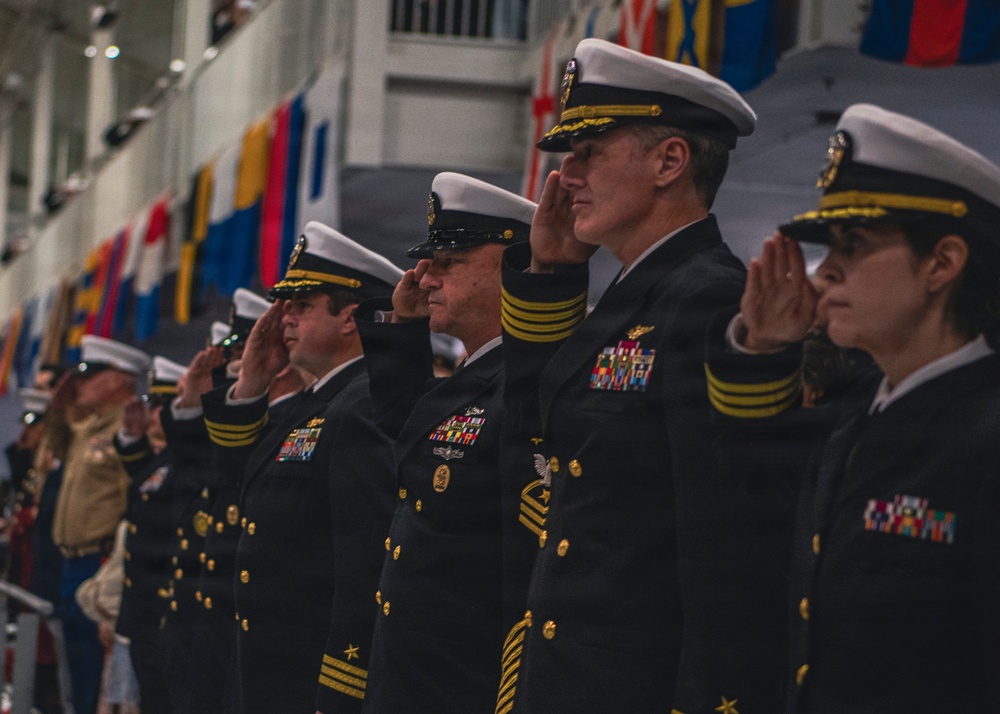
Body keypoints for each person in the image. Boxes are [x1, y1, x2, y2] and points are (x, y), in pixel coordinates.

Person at [496, 38, 792, 712]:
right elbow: (535, 441)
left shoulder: (707, 300)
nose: (566, 175)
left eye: (588, 152)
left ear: (670, 161)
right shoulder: (634, 294)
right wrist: (551, 277)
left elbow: (726, 545)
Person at [705, 103, 1000, 713]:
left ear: (943, 263)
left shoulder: (984, 437)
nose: (827, 271)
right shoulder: (858, 420)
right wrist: (764, 349)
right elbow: (754, 501)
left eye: (854, 244)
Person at [356, 172, 540, 712]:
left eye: (449, 262)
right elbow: (412, 436)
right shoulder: (476, 373)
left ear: (515, 267)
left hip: (468, 687)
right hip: (415, 682)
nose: (426, 277)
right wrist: (403, 328)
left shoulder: (528, 384)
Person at [201, 222, 400, 714]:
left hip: (305, 680)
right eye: (285, 304)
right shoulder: (316, 402)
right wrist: (252, 381)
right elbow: (238, 480)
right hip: (266, 673)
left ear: (350, 317)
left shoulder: (364, 405)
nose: (284, 318)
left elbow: (364, 568)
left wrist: (341, 688)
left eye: (302, 305)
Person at [49, 336, 151, 714]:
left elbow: (135, 498)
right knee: (76, 662)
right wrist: (59, 407)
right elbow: (58, 445)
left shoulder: (129, 430)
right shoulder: (91, 427)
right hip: (72, 560)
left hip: (100, 560)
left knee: (98, 670)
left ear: (118, 379)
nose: (80, 383)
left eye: (90, 375)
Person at [112, 356, 187, 714]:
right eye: (152, 403)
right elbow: (146, 480)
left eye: (162, 404)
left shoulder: (187, 460)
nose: (153, 413)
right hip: (144, 612)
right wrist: (131, 437)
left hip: (162, 612)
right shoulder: (166, 459)